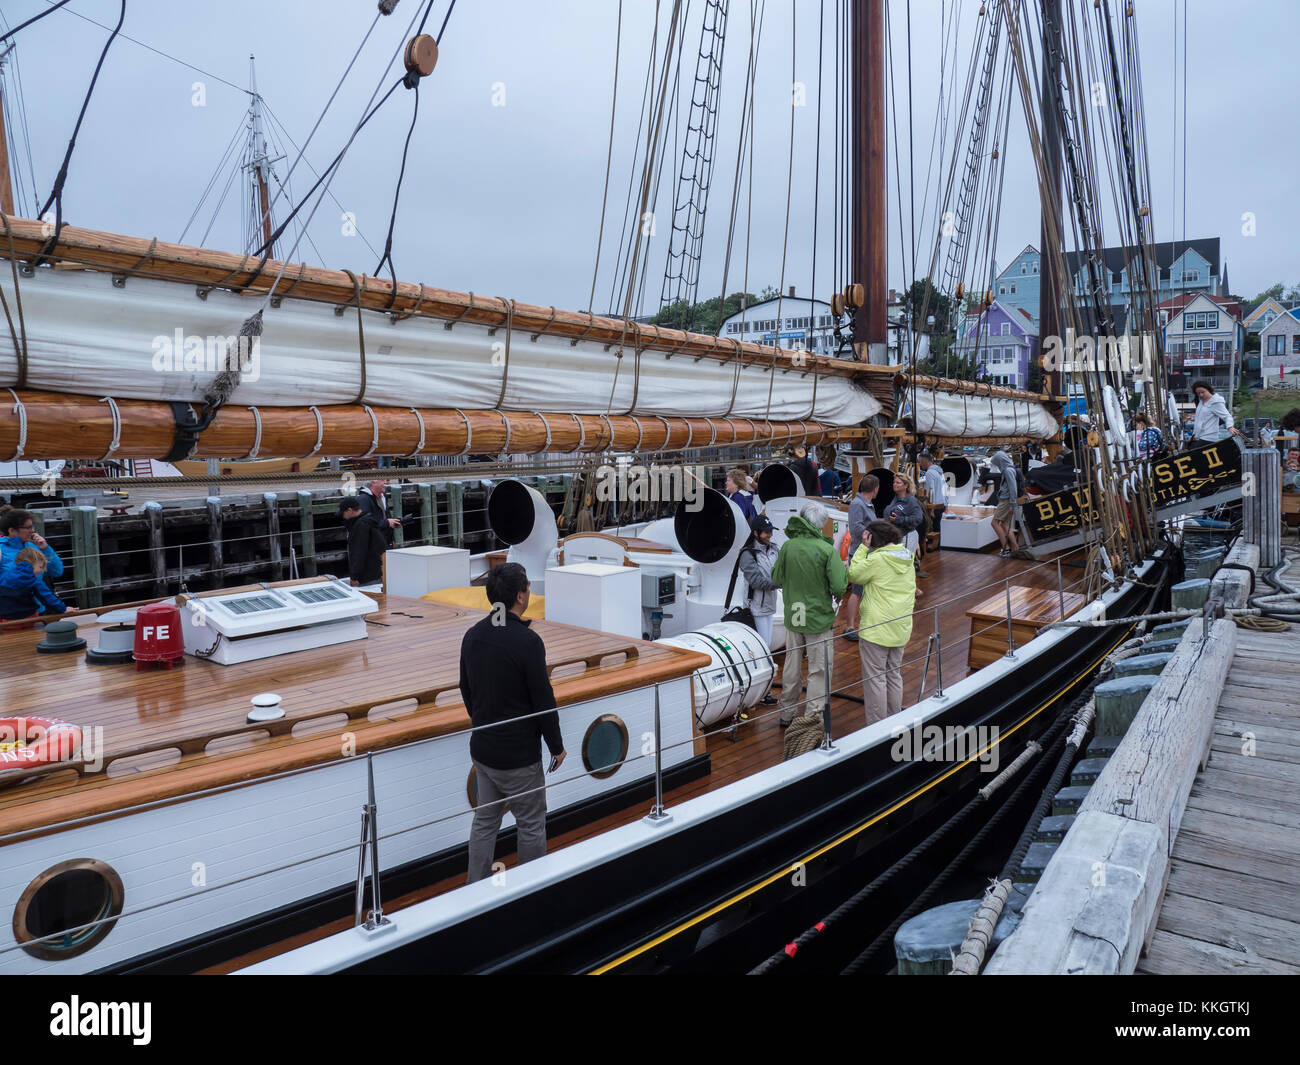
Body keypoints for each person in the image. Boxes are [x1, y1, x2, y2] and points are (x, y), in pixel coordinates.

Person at [460, 562, 566, 884]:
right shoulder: (527, 642)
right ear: (520, 596)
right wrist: (557, 747)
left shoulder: (473, 635)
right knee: (531, 822)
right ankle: (531, 890)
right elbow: (542, 701)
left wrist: (481, 723)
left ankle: (474, 886)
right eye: (528, 588)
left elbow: (466, 688)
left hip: (484, 751)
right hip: (518, 758)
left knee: (485, 820)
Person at [770, 500, 848, 728]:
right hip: (817, 618)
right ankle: (812, 716)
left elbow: (776, 578)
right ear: (822, 524)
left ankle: (786, 713)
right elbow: (839, 586)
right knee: (819, 668)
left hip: (794, 614)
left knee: (792, 666)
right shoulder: (826, 550)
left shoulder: (788, 547)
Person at [847, 520, 916, 724]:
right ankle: (894, 721)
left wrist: (862, 548)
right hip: (900, 627)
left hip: (876, 629)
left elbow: (854, 575)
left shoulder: (878, 560)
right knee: (893, 675)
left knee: (875, 678)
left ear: (873, 538)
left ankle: (877, 728)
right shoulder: (907, 558)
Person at [841, 475, 880, 642]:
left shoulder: (866, 504)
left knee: (865, 591)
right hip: (860, 554)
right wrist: (876, 534)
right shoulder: (858, 504)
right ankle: (849, 626)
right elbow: (856, 527)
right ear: (875, 489)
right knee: (857, 591)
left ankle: (864, 624)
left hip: (869, 553)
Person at [0, 546, 67, 621]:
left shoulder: (3, 576)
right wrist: (63, 609)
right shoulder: (34, 581)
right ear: (33, 564)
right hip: (28, 619)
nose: (42, 571)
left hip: (5, 620)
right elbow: (48, 598)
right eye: (40, 567)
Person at [988, 450, 1030, 559]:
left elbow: (1013, 488)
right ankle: (1015, 548)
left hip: (1005, 501)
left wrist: (1012, 505)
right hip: (1007, 500)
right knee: (1005, 524)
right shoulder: (1010, 469)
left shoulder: (1007, 470)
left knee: (994, 523)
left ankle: (1005, 549)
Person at [339, 496, 388, 586]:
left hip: (368, 576)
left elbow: (359, 552)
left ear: (349, 510)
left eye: (343, 513)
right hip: (378, 572)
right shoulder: (369, 520)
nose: (343, 517)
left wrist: (354, 576)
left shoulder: (360, 526)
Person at [885, 472, 925, 564]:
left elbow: (918, 518)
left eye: (898, 483)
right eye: (894, 482)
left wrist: (899, 520)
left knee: (904, 564)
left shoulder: (912, 501)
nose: (895, 484)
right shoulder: (893, 499)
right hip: (895, 537)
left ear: (906, 485)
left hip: (907, 536)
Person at [358, 478, 402, 547]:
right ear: (373, 482)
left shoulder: (383, 496)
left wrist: (391, 538)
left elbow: (386, 517)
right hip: (372, 546)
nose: (385, 482)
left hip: (385, 542)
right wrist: (387, 523)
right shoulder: (363, 499)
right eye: (382, 480)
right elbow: (365, 523)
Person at [917, 452, 947, 551]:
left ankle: (931, 547)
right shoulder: (939, 472)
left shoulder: (929, 473)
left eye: (920, 462)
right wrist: (946, 503)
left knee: (930, 526)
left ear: (924, 461)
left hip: (934, 505)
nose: (920, 465)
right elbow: (945, 488)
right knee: (937, 527)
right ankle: (937, 547)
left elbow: (931, 491)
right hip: (941, 504)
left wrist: (931, 509)